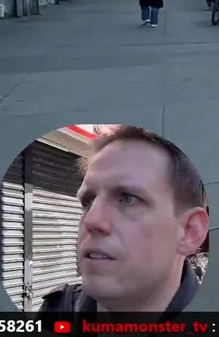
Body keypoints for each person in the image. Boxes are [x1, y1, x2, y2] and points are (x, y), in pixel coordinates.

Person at [37, 126, 208, 317]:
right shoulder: (55, 313)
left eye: (127, 198)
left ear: (189, 231)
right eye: (88, 201)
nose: (91, 220)